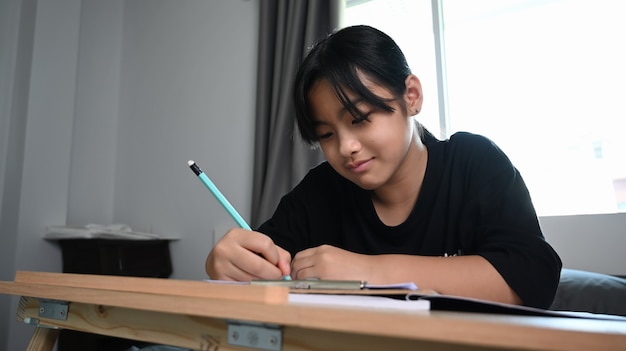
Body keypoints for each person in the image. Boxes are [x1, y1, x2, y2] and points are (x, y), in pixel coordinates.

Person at [206, 25, 562, 309]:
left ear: (411, 96)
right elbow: (261, 266)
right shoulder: (320, 191)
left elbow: (532, 276)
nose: (346, 147)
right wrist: (228, 264)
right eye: (327, 134)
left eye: (360, 118)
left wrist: (367, 272)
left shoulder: (471, 162)